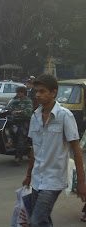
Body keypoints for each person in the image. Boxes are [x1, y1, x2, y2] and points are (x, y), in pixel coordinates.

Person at [22, 74, 86, 226]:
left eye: (42, 91)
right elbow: (34, 149)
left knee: (37, 220)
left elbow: (76, 149)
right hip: (37, 178)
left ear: (53, 93)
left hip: (54, 180)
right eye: (36, 91)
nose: (37, 95)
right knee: (40, 219)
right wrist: (29, 175)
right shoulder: (35, 116)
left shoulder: (65, 116)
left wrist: (81, 182)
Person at [10, 86, 33, 164]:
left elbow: (28, 111)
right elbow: (10, 107)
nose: (17, 94)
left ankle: (18, 157)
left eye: (18, 92)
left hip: (25, 121)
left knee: (21, 137)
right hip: (15, 120)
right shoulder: (16, 100)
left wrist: (19, 112)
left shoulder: (28, 101)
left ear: (22, 93)